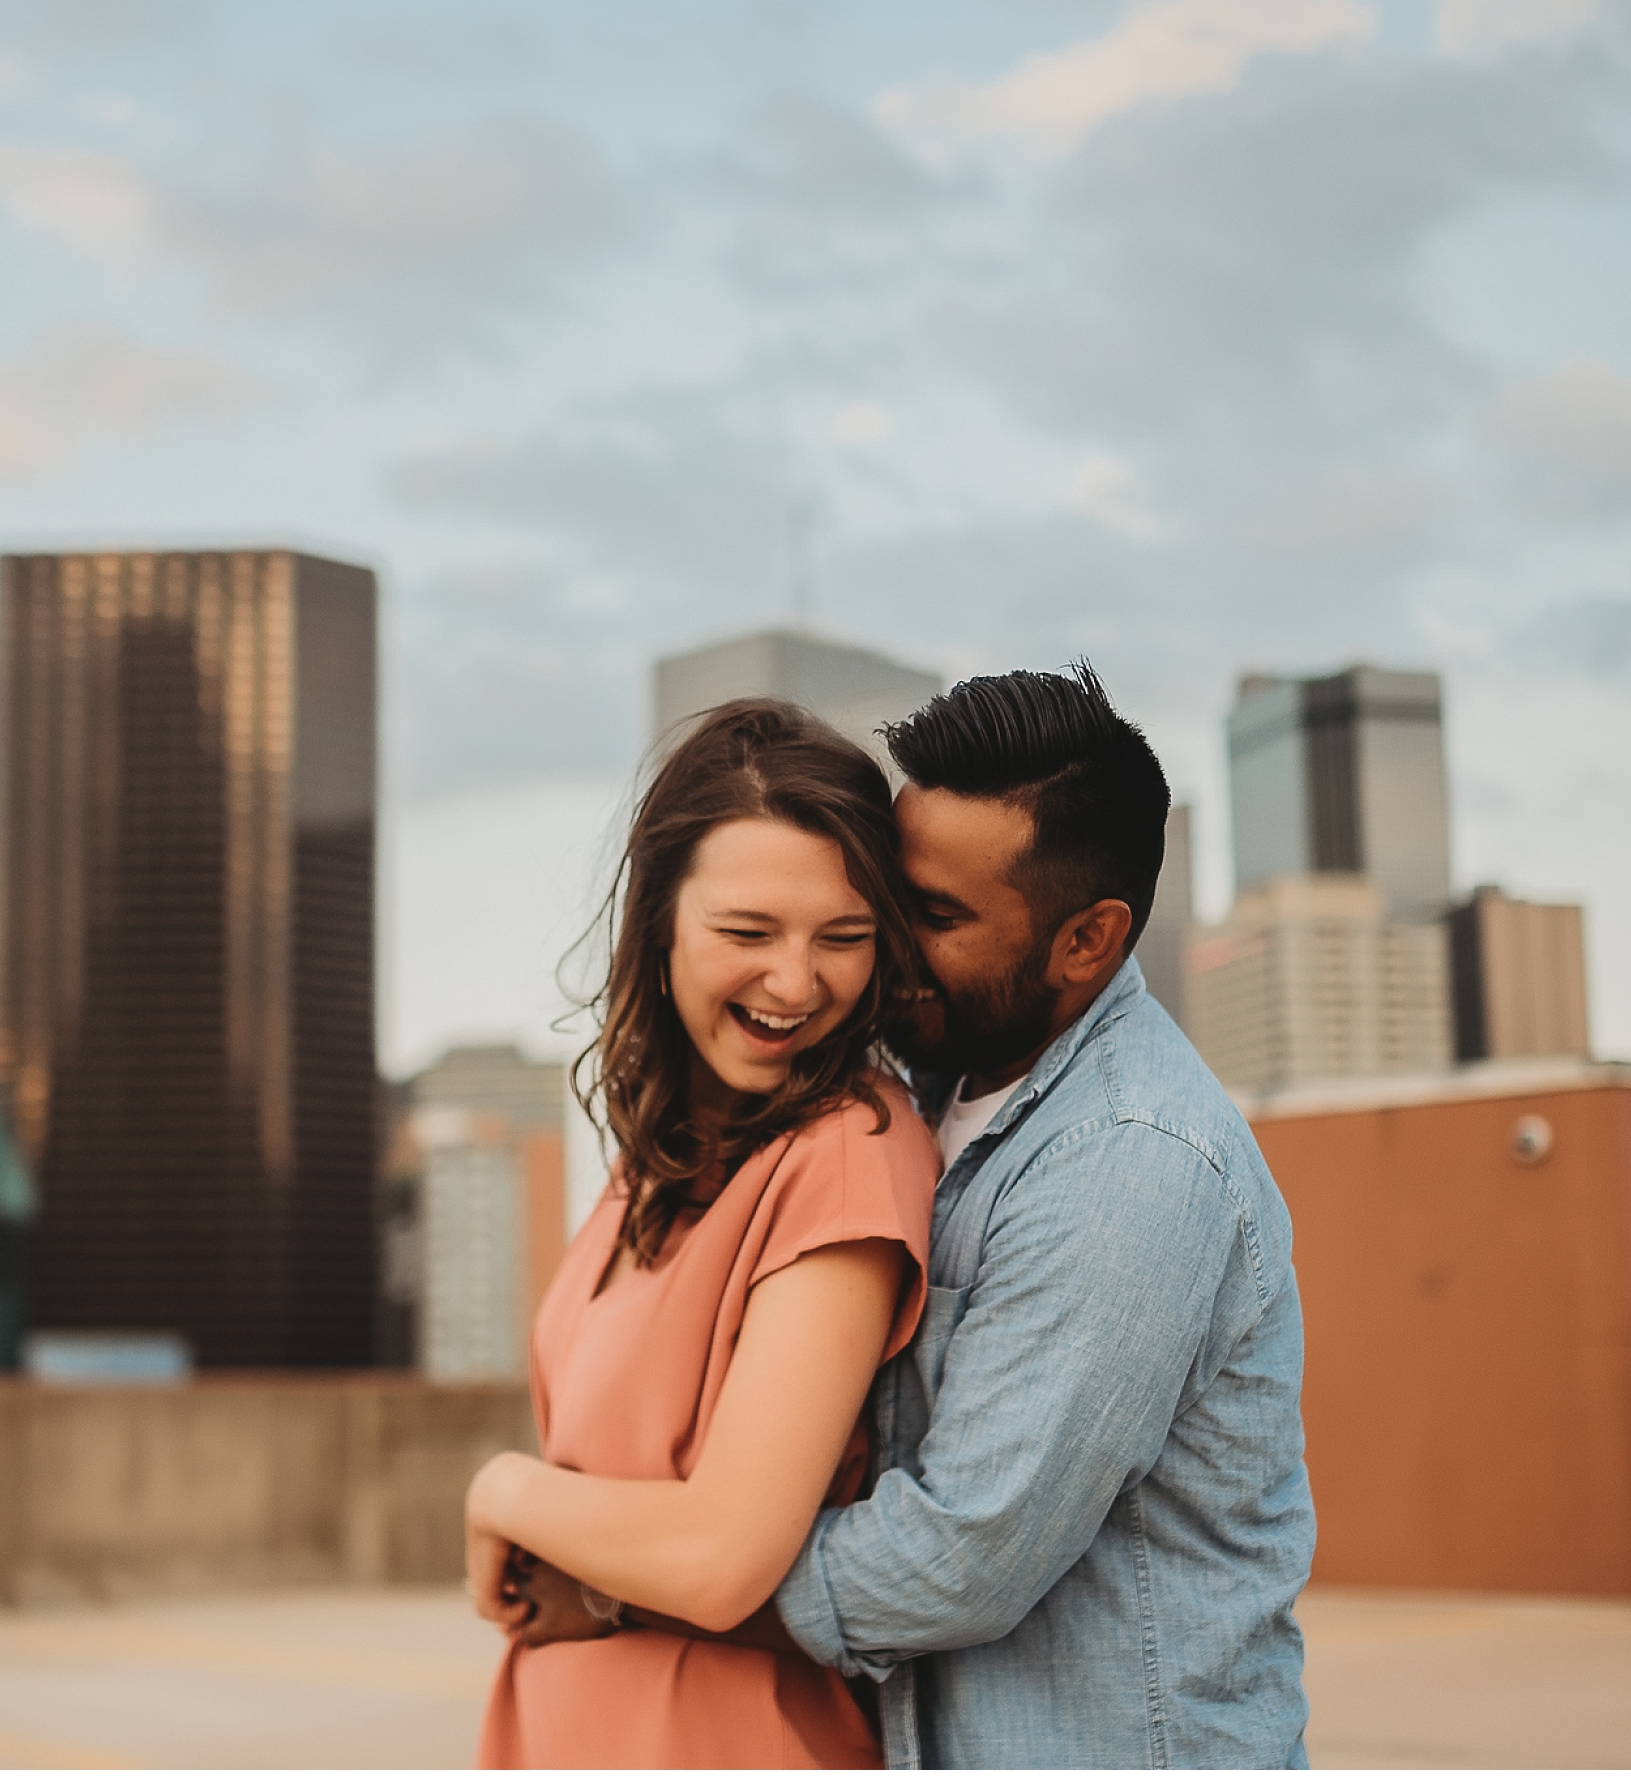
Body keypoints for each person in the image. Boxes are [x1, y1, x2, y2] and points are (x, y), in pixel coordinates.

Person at [484, 665, 1315, 1769]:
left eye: (925, 916)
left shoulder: (1129, 1162)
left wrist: (614, 1586)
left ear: (1086, 941)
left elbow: (955, 1558)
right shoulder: (936, 1086)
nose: (881, 954)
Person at [466, 698, 944, 1769]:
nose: (794, 982)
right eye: (746, 933)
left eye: (843, 939)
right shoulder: (649, 1159)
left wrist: (506, 1490)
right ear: (660, 923)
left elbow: (723, 1555)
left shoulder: (848, 1151)